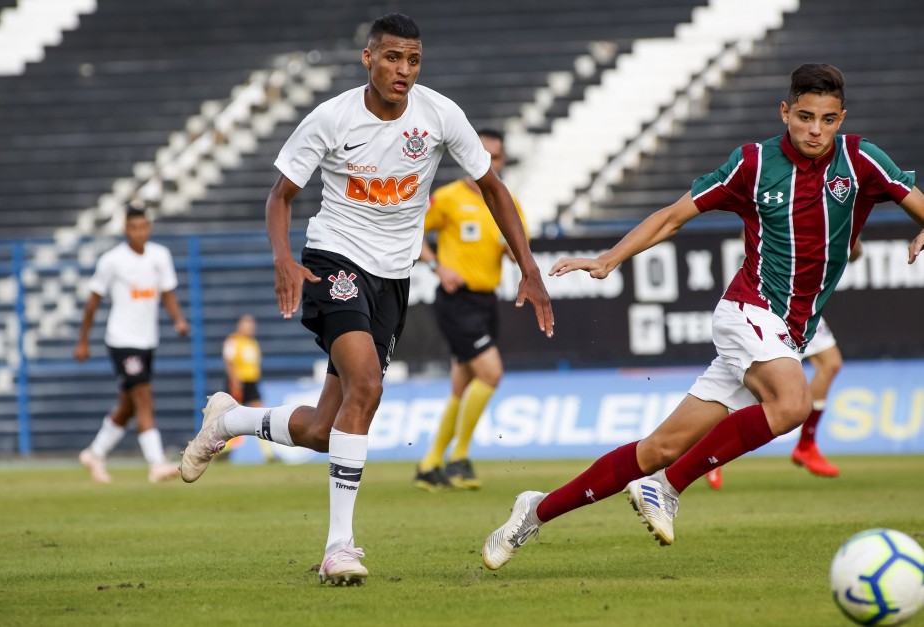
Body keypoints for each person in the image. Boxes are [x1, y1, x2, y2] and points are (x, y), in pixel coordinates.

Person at [482, 63, 924, 570]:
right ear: (785, 112)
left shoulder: (861, 159)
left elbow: (916, 203)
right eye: (804, 117)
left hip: (789, 332)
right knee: (793, 402)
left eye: (827, 119)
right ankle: (666, 488)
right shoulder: (753, 164)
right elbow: (672, 217)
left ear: (842, 118)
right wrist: (608, 259)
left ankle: (533, 512)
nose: (815, 131)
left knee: (659, 447)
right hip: (749, 310)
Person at [178, 13, 554, 586]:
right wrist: (283, 256)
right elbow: (280, 196)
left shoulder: (440, 114)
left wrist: (528, 266)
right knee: (369, 387)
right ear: (368, 59)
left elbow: (494, 189)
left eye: (413, 60)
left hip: (394, 279)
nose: (403, 70)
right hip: (335, 260)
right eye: (393, 58)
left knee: (325, 431)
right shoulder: (331, 118)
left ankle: (231, 420)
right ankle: (340, 547)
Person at [413, 129, 526, 492]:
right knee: (491, 373)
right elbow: (411, 231)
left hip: (486, 300)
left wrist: (514, 252)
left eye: (497, 157)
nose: (491, 163)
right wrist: (437, 266)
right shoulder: (447, 198)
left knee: (462, 387)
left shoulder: (506, 200)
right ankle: (459, 457)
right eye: (485, 156)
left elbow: (518, 244)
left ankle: (430, 465)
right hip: (457, 301)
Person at [705, 240, 863, 489]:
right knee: (762, 389)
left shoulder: (835, 205)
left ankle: (806, 444)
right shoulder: (785, 206)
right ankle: (709, 454)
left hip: (800, 306)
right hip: (771, 302)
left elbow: (852, 252)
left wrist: (848, 229)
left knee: (829, 363)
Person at [75, 206, 189, 484]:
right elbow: (93, 302)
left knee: (127, 405)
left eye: (144, 226)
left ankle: (94, 453)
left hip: (147, 340)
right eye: (134, 227)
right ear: (126, 229)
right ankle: (157, 463)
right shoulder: (112, 261)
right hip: (122, 340)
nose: (140, 232)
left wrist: (178, 320)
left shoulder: (160, 256)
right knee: (144, 396)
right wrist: (83, 340)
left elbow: (168, 293)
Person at [223, 314, 263, 407]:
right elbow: (229, 361)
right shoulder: (233, 340)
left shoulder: (253, 342)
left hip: (251, 381)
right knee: (235, 409)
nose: (251, 326)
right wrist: (234, 381)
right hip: (238, 381)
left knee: (258, 408)